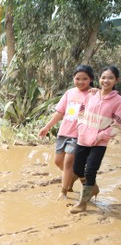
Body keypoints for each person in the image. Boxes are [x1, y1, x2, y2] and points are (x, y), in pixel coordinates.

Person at [38, 65, 95, 200]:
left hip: (79, 135)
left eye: (85, 79)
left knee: (68, 162)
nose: (81, 82)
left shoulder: (93, 95)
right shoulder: (69, 93)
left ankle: (64, 191)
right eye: (77, 78)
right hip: (64, 132)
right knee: (58, 161)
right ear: (73, 78)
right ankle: (76, 177)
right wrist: (46, 127)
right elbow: (60, 112)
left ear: (91, 79)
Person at [70, 65, 121, 214]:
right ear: (99, 79)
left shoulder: (118, 100)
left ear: (116, 80)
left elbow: (117, 124)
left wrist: (101, 136)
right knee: (77, 169)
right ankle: (92, 188)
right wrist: (80, 127)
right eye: (103, 77)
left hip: (99, 142)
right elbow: (81, 112)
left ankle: (82, 203)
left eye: (110, 78)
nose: (106, 80)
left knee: (90, 170)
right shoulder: (91, 95)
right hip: (83, 138)